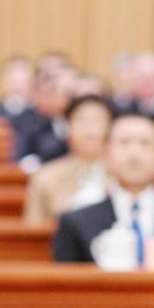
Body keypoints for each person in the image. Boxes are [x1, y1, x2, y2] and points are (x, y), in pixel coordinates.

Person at [53, 113, 154, 263]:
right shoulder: (76, 221)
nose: (134, 153)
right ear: (105, 154)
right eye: (124, 143)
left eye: (145, 143)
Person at [24, 95, 112, 224]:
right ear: (68, 127)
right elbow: (33, 232)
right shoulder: (45, 177)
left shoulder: (125, 176)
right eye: (82, 120)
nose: (90, 128)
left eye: (98, 120)